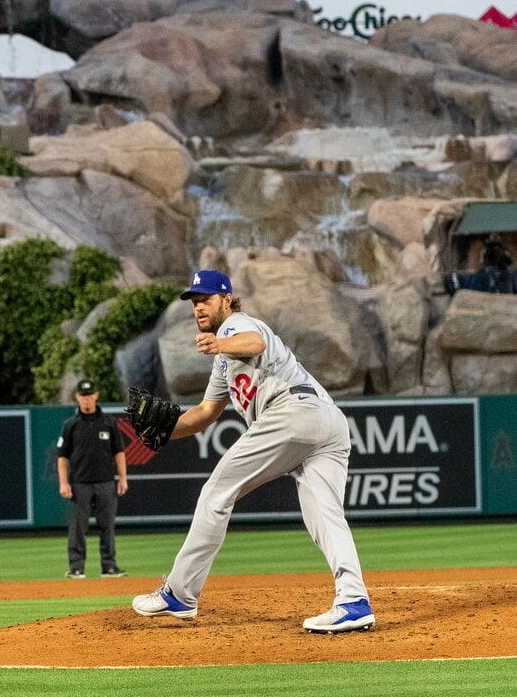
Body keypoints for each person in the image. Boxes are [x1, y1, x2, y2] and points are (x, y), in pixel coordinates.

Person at [130, 269, 373, 633]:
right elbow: (204, 414)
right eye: (195, 303)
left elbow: (255, 342)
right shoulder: (223, 362)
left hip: (291, 413)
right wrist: (165, 431)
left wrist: (220, 344)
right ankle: (354, 601)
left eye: (206, 300)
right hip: (326, 421)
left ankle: (180, 593)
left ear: (226, 300)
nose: (199, 309)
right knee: (324, 513)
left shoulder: (236, 326)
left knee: (216, 492)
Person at [55, 379, 127, 579]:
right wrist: (63, 482)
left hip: (105, 481)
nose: (86, 399)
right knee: (78, 527)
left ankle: (109, 566)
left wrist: (122, 478)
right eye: (82, 395)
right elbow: (62, 456)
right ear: (78, 397)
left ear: (96, 395)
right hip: (80, 483)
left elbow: (119, 453)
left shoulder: (109, 422)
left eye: (89, 395)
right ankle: (77, 567)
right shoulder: (70, 425)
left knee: (107, 526)